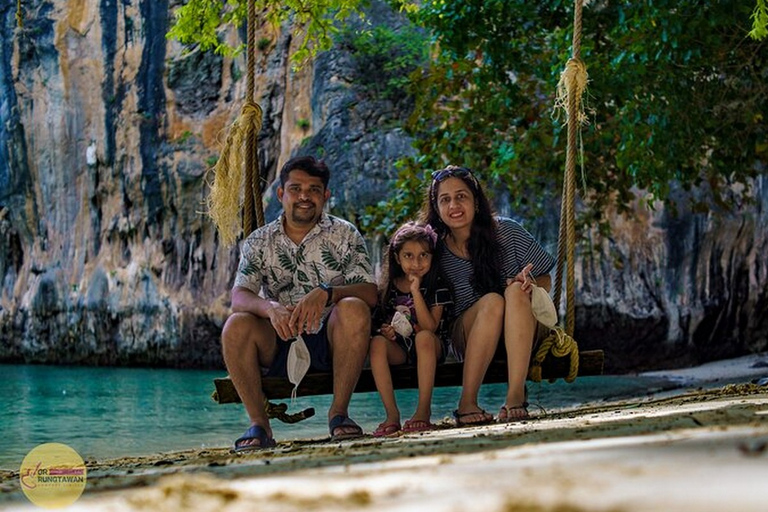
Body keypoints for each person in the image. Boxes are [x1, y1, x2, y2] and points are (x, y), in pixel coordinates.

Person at [221, 155, 378, 451]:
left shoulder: (344, 234)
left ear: (325, 196)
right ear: (281, 194)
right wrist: (270, 308)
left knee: (354, 308)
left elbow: (370, 292)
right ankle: (259, 425)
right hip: (279, 338)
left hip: (332, 342)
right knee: (236, 324)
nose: (304, 196)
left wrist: (328, 292)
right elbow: (239, 296)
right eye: (296, 188)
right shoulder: (259, 241)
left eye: (314, 189)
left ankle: (339, 414)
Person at [419, 165, 555, 425]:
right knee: (493, 301)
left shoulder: (507, 231)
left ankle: (515, 395)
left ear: (476, 201)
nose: (454, 205)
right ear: (436, 208)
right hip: (470, 335)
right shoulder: (434, 250)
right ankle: (467, 402)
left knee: (515, 291)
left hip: (524, 328)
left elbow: (547, 278)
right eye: (445, 200)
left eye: (461, 196)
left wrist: (529, 282)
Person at [369, 222, 452, 436]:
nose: (416, 262)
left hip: (431, 348)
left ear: (432, 257)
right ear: (397, 257)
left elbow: (430, 327)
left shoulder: (437, 285)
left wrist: (415, 290)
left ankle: (423, 411)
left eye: (424, 255)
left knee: (423, 337)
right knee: (377, 344)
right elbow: (381, 324)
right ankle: (392, 415)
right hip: (401, 349)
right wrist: (386, 331)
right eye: (408, 256)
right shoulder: (388, 288)